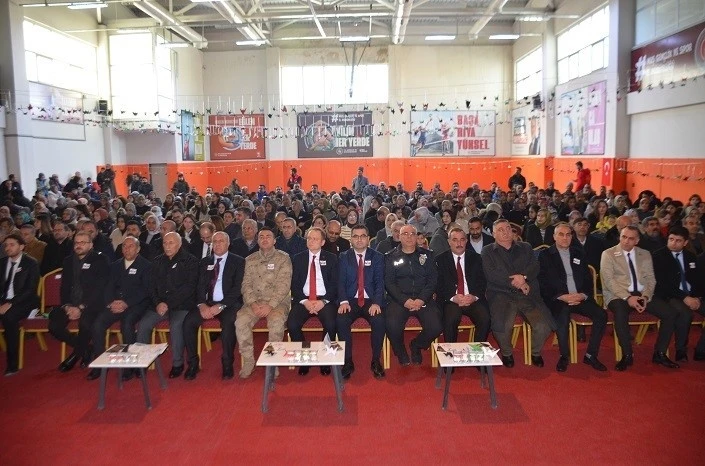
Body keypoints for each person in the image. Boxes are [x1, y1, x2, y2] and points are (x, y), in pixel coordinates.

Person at [600, 225, 680, 371]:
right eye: (623, 237)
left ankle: (660, 353)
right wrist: (628, 297)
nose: (626, 241)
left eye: (631, 238)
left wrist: (646, 296)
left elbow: (651, 279)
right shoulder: (608, 254)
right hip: (618, 295)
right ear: (619, 237)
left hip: (642, 294)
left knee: (670, 313)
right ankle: (627, 354)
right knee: (620, 312)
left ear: (637, 241)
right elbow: (609, 281)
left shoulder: (645, 254)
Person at [481, 219, 556, 368]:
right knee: (502, 327)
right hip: (501, 295)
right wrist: (517, 282)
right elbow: (491, 275)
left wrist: (524, 278)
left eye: (508, 228)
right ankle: (507, 353)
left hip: (526, 294)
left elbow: (535, 267)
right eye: (501, 230)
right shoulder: (488, 251)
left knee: (543, 325)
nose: (506, 232)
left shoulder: (525, 247)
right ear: (494, 234)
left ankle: (535, 352)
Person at [538, 223, 608, 372]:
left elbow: (588, 279)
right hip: (558, 299)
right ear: (554, 237)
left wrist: (582, 295)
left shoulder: (579, 253)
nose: (565, 238)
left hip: (579, 297)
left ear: (572, 236)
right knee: (562, 316)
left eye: (568, 235)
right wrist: (561, 296)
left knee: (601, 314)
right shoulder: (545, 256)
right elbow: (543, 283)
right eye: (561, 234)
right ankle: (564, 356)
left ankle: (590, 355)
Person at [86, 236, 152, 381]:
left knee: (127, 325)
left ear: (138, 249)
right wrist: (111, 302)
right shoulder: (115, 265)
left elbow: (145, 290)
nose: (127, 249)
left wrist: (126, 303)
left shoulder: (146, 265)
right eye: (124, 246)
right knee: (97, 324)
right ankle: (100, 363)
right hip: (115, 304)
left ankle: (130, 364)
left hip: (136, 305)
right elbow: (108, 286)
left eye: (131, 246)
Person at [136, 232, 199, 378]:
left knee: (176, 326)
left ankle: (177, 363)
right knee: (144, 325)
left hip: (181, 305)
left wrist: (168, 303)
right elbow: (151, 286)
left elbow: (189, 288)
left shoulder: (190, 261)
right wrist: (158, 303)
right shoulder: (157, 261)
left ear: (179, 244)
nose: (167, 246)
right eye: (165, 243)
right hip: (159, 305)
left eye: (171, 243)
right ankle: (141, 362)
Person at [183, 232, 245, 380]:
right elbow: (198, 286)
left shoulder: (239, 261)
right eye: (214, 241)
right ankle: (193, 363)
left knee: (229, 324)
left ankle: (227, 363)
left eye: (221, 241)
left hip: (228, 304)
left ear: (228, 244)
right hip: (207, 303)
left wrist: (221, 305)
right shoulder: (205, 262)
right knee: (188, 323)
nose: (217, 244)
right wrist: (201, 305)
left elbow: (238, 288)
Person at [49, 232, 111, 372]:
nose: (79, 245)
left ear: (91, 245)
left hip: (92, 304)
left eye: (83, 242)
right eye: (76, 242)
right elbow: (64, 287)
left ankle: (75, 355)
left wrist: (81, 307)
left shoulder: (100, 259)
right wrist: (67, 306)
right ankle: (86, 349)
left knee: (85, 323)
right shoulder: (68, 261)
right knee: (54, 326)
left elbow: (100, 289)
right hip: (70, 304)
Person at [235, 227, 292, 379]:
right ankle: (249, 361)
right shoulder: (250, 259)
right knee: (240, 321)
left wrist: (270, 305)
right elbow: (245, 284)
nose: (265, 239)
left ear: (274, 241)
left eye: (268, 236)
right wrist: (253, 303)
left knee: (276, 323)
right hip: (254, 302)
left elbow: (284, 285)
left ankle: (272, 361)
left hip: (277, 303)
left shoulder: (283, 258)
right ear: (257, 240)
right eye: (261, 237)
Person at [384, 224, 442, 366]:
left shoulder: (428, 255)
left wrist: (422, 299)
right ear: (399, 237)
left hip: (423, 299)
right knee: (391, 324)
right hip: (399, 300)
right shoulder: (390, 256)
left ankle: (416, 345)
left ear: (417, 237)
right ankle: (400, 350)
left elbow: (433, 280)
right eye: (405, 234)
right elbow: (389, 283)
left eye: (412, 234)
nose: (409, 237)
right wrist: (404, 300)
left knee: (436, 326)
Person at [287, 227, 338, 376]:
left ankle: (325, 359)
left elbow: (335, 284)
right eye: (309, 238)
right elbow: (294, 284)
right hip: (304, 299)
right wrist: (305, 301)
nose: (311, 241)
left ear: (322, 242)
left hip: (324, 300)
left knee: (331, 323)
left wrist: (324, 301)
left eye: (315, 239)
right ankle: (305, 357)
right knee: (292, 324)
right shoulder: (298, 258)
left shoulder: (332, 258)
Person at [336, 225, 386, 379]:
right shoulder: (344, 257)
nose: (359, 239)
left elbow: (379, 282)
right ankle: (347, 361)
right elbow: (340, 282)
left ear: (368, 239)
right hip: (350, 299)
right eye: (355, 236)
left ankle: (376, 360)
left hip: (371, 300)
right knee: (341, 320)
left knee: (379, 320)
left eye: (363, 236)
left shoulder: (377, 257)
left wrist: (377, 303)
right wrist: (343, 301)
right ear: (351, 239)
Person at [651, 226, 702, 362]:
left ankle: (701, 350)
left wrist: (697, 297)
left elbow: (697, 280)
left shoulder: (691, 256)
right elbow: (663, 284)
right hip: (670, 295)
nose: (673, 243)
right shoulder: (658, 256)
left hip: (691, 295)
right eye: (671, 239)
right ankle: (681, 350)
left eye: (678, 241)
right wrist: (685, 298)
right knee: (685, 313)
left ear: (685, 242)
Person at [435, 227, 490, 345]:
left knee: (485, 317)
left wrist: (474, 296)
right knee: (451, 318)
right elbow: (438, 285)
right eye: (455, 240)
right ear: (449, 242)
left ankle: (478, 351)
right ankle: (450, 353)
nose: (459, 243)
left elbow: (483, 281)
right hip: (451, 300)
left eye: (462, 239)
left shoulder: (476, 258)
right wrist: (452, 297)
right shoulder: (440, 260)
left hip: (472, 298)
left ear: (466, 241)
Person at [0, 234, 40, 376]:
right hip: (4, 300)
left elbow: (30, 290)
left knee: (9, 318)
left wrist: (10, 303)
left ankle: (12, 364)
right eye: (6, 245)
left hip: (24, 301)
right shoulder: (2, 263)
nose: (8, 248)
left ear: (21, 246)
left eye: (12, 245)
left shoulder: (31, 263)